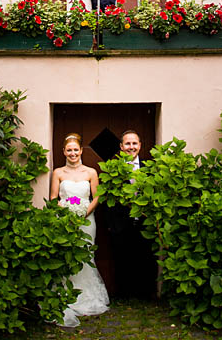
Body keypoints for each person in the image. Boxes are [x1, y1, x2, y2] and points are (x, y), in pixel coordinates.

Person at [50, 133, 110, 327]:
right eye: (69, 150)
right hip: (65, 221)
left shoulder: (91, 172)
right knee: (67, 255)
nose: (73, 153)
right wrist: (67, 213)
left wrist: (83, 213)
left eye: (76, 149)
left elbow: (97, 197)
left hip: (86, 219)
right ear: (64, 152)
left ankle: (86, 296)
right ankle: (66, 294)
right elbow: (53, 198)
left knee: (85, 255)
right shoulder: (58, 173)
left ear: (81, 150)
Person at [106, 130, 158, 299]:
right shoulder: (113, 168)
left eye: (134, 143)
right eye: (127, 144)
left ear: (140, 145)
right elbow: (109, 199)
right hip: (121, 222)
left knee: (145, 258)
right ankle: (124, 294)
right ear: (121, 147)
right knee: (122, 258)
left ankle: (145, 293)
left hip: (144, 221)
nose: (131, 147)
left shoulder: (150, 168)